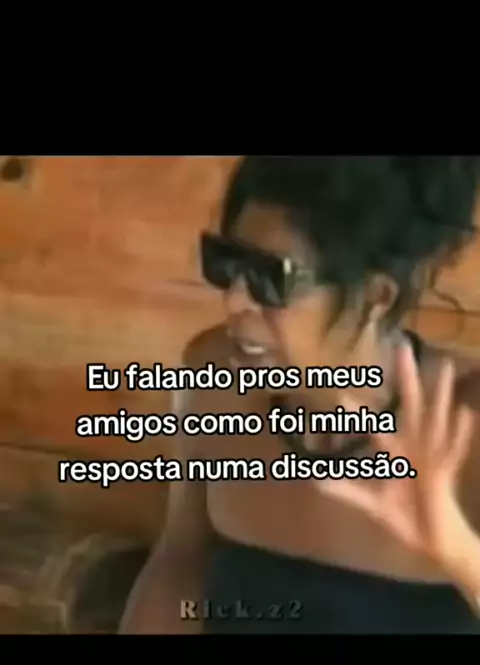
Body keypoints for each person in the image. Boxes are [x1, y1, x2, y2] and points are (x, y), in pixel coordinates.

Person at [120, 156, 480, 635]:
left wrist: (458, 552)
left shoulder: (466, 424)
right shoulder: (215, 378)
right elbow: (180, 563)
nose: (235, 300)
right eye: (228, 262)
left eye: (272, 278)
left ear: (378, 295)